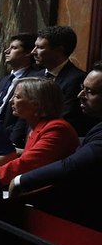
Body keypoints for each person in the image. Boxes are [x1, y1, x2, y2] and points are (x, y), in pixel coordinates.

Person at [9, 63, 102, 229]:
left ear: (37, 103)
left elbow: (72, 165)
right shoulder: (35, 126)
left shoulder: (56, 128)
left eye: (90, 91)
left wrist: (18, 181)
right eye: (83, 88)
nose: (80, 95)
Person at [0, 77, 78, 186]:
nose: (10, 101)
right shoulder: (37, 125)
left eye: (17, 97)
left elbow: (26, 165)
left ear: (36, 104)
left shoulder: (57, 129)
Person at [32, 25, 90, 135]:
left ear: (59, 50)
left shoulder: (77, 79)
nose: (33, 52)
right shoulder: (36, 75)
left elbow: (66, 118)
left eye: (40, 47)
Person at [0, 32, 40, 147]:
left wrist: (12, 141)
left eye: (13, 48)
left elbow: (26, 116)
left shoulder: (34, 79)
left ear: (28, 53)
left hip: (12, 141)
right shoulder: (4, 79)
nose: (6, 51)